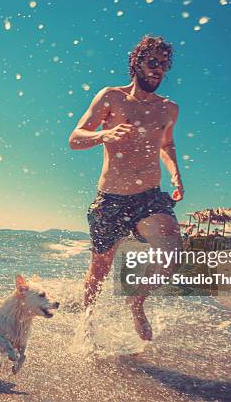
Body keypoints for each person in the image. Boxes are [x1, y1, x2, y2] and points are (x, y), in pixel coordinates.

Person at [68, 35, 183, 340]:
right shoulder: (111, 97)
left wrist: (175, 174)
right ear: (137, 63)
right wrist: (105, 134)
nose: (159, 70)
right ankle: (87, 323)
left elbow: (167, 144)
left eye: (165, 64)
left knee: (171, 248)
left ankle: (137, 302)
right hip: (111, 199)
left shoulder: (169, 109)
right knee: (99, 272)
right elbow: (75, 138)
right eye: (153, 62)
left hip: (149, 196)